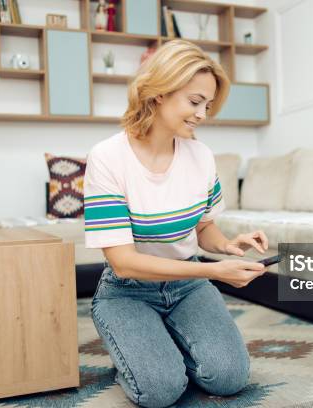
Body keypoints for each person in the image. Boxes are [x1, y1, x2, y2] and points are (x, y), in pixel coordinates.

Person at [84, 40, 270, 408]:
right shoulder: (108, 158)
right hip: (127, 291)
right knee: (160, 390)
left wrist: (229, 246)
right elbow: (123, 261)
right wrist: (215, 273)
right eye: (194, 101)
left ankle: (162, 338)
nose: (203, 114)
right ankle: (141, 343)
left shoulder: (201, 156)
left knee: (228, 377)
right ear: (158, 94)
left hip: (187, 286)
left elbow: (203, 230)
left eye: (208, 105)